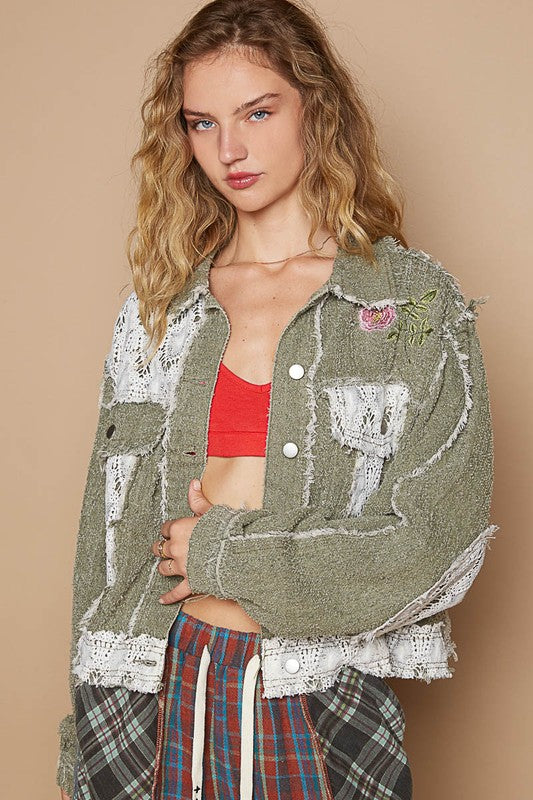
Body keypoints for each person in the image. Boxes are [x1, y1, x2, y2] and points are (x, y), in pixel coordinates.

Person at [56, 1, 499, 798]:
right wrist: (81, 742)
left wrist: (224, 555)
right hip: (151, 689)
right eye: (202, 123)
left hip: (319, 692)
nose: (229, 149)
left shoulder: (410, 304)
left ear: (315, 109)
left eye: (257, 112)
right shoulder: (157, 313)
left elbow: (437, 542)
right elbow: (106, 546)